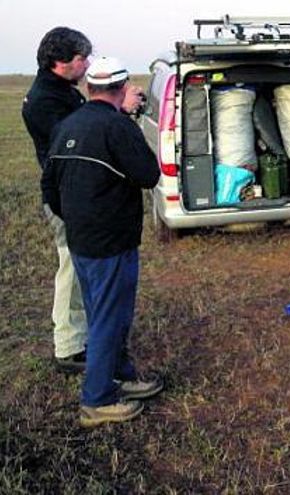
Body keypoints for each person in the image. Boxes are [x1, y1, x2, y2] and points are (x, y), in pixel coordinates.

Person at [42, 57, 162, 427]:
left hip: (81, 240)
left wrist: (77, 220)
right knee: (111, 318)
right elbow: (147, 174)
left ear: (89, 87)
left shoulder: (67, 125)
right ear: (122, 89)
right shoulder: (117, 126)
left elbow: (49, 185)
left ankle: (121, 376)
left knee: (103, 313)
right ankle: (96, 400)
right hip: (111, 242)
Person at [22, 27, 144, 374]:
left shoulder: (60, 92)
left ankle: (88, 338)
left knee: (79, 271)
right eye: (81, 58)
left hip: (77, 195)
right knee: (73, 270)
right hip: (71, 199)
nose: (86, 63)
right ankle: (71, 346)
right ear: (61, 63)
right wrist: (119, 111)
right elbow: (85, 137)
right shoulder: (46, 101)